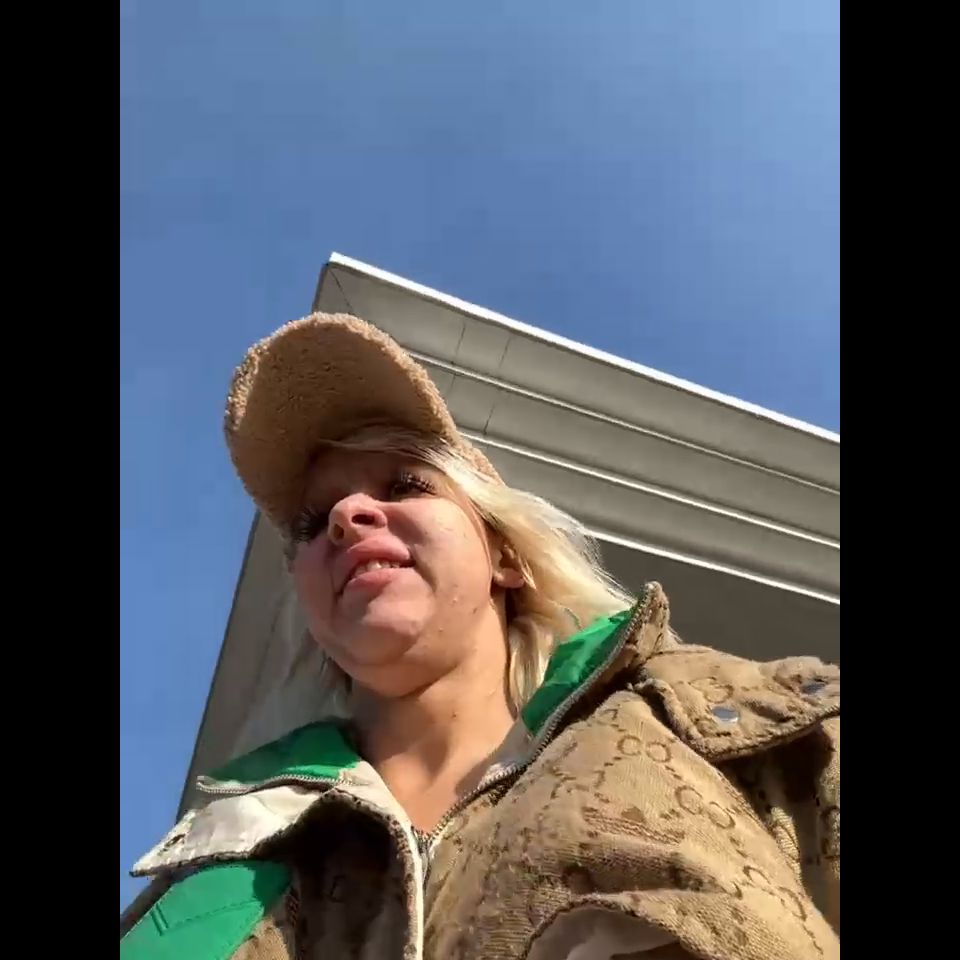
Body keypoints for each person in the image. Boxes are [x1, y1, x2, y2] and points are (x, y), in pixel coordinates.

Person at [120, 312, 840, 960]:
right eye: (314, 523)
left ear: (506, 556)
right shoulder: (215, 872)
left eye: (404, 485)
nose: (347, 517)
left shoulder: (730, 719)